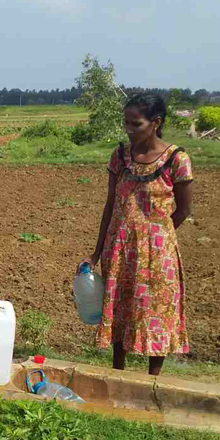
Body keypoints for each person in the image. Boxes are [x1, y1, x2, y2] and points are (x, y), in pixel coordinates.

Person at [80, 93, 193, 375]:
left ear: (156, 122)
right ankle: (118, 373)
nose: (129, 129)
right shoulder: (120, 157)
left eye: (136, 124)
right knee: (120, 307)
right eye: (126, 123)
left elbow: (183, 210)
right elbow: (110, 206)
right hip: (119, 248)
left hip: (158, 255)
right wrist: (97, 251)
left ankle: (153, 379)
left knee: (158, 311)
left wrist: (156, 237)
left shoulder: (177, 159)